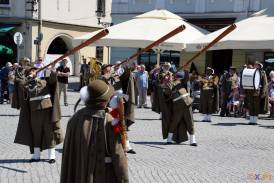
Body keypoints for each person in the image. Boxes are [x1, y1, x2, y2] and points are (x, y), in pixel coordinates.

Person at [60, 80, 129, 183]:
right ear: (104, 101)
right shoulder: (110, 121)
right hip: (104, 176)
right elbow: (118, 155)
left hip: (79, 175)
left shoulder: (75, 118)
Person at [13, 66, 63, 163]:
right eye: (31, 70)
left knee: (49, 133)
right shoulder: (28, 84)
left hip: (47, 110)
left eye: (34, 70)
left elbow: (53, 80)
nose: (34, 71)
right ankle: (36, 156)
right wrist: (29, 77)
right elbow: (21, 84)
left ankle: (52, 156)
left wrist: (51, 70)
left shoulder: (45, 80)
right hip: (34, 111)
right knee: (36, 133)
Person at [166, 68, 197, 146]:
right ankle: (169, 139)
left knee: (190, 122)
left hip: (187, 103)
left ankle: (192, 140)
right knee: (174, 122)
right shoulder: (169, 84)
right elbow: (167, 91)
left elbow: (186, 78)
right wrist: (169, 79)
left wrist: (186, 69)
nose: (176, 77)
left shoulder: (182, 82)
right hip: (177, 106)